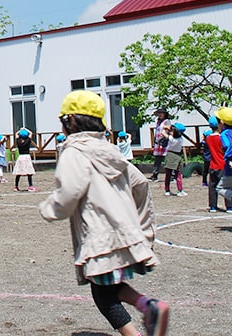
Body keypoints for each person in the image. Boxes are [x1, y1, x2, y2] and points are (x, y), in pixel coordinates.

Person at [39, 90, 169, 336]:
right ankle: (148, 306)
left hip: (99, 234)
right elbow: (140, 183)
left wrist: (49, 208)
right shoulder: (110, 151)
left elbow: (69, 193)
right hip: (123, 232)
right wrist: (142, 227)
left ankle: (148, 308)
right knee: (106, 286)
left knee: (102, 293)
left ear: (71, 122)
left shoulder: (74, 151)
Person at [205, 116, 232, 213]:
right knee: (227, 185)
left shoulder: (208, 138)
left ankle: (213, 206)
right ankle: (229, 206)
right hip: (223, 164)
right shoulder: (222, 137)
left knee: (212, 186)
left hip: (213, 165)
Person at [161, 122, 187, 196]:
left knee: (168, 174)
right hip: (177, 155)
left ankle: (167, 190)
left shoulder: (171, 139)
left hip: (169, 155)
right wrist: (169, 128)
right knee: (178, 174)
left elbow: (163, 132)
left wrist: (165, 128)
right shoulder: (180, 139)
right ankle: (180, 190)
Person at [12, 128, 37, 192]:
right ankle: (30, 186)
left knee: (18, 172)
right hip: (27, 157)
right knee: (29, 172)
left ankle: (16, 186)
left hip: (20, 157)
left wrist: (20, 130)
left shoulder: (18, 141)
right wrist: (25, 129)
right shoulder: (28, 140)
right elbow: (31, 133)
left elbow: (16, 134)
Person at [151, 108, 171, 181]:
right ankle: (155, 175)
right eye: (158, 113)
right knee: (157, 160)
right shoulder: (158, 122)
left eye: (161, 113)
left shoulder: (167, 121)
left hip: (164, 142)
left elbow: (169, 129)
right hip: (158, 143)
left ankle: (171, 176)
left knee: (167, 160)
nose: (159, 114)